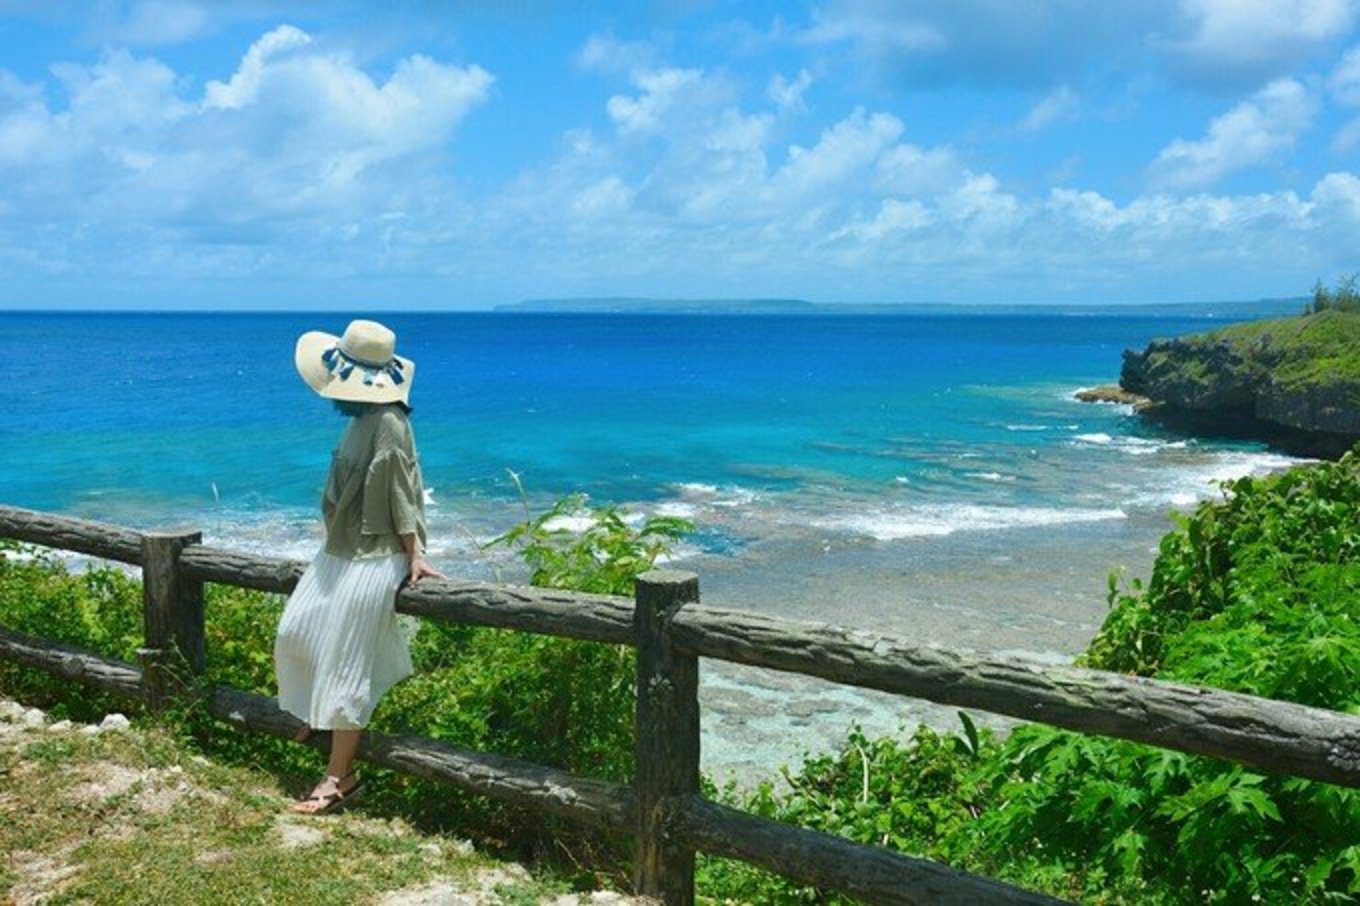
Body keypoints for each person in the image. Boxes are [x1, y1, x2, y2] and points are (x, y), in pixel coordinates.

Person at [274, 318, 444, 815]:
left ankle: (339, 775)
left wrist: (413, 553)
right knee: (296, 631)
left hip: (375, 554)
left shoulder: (389, 420)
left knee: (349, 666)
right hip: (341, 551)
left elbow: (396, 491)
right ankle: (319, 715)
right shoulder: (358, 420)